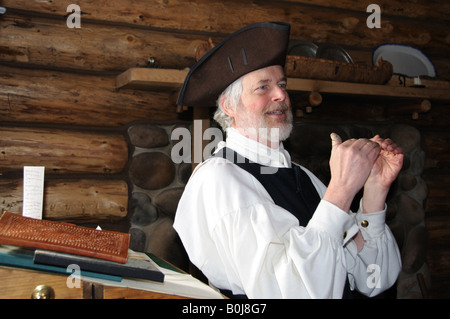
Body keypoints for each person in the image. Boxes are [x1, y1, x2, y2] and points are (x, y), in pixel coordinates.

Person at [173, 22, 403, 299]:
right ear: (229, 107)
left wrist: (374, 192)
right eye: (263, 87)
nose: (281, 94)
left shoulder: (304, 177)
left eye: (282, 84)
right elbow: (291, 291)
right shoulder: (218, 179)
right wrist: (341, 190)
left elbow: (372, 280)